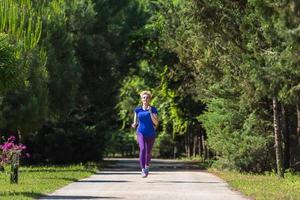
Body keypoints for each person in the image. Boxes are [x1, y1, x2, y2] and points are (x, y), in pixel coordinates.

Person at [131, 90, 158, 178]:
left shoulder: (153, 109)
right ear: (141, 99)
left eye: (147, 98)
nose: (145, 99)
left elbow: (156, 122)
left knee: (148, 153)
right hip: (141, 132)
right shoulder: (137, 110)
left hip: (151, 133)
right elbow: (135, 121)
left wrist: (150, 112)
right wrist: (134, 124)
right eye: (143, 97)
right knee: (142, 149)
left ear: (150, 99)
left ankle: (147, 166)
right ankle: (142, 169)